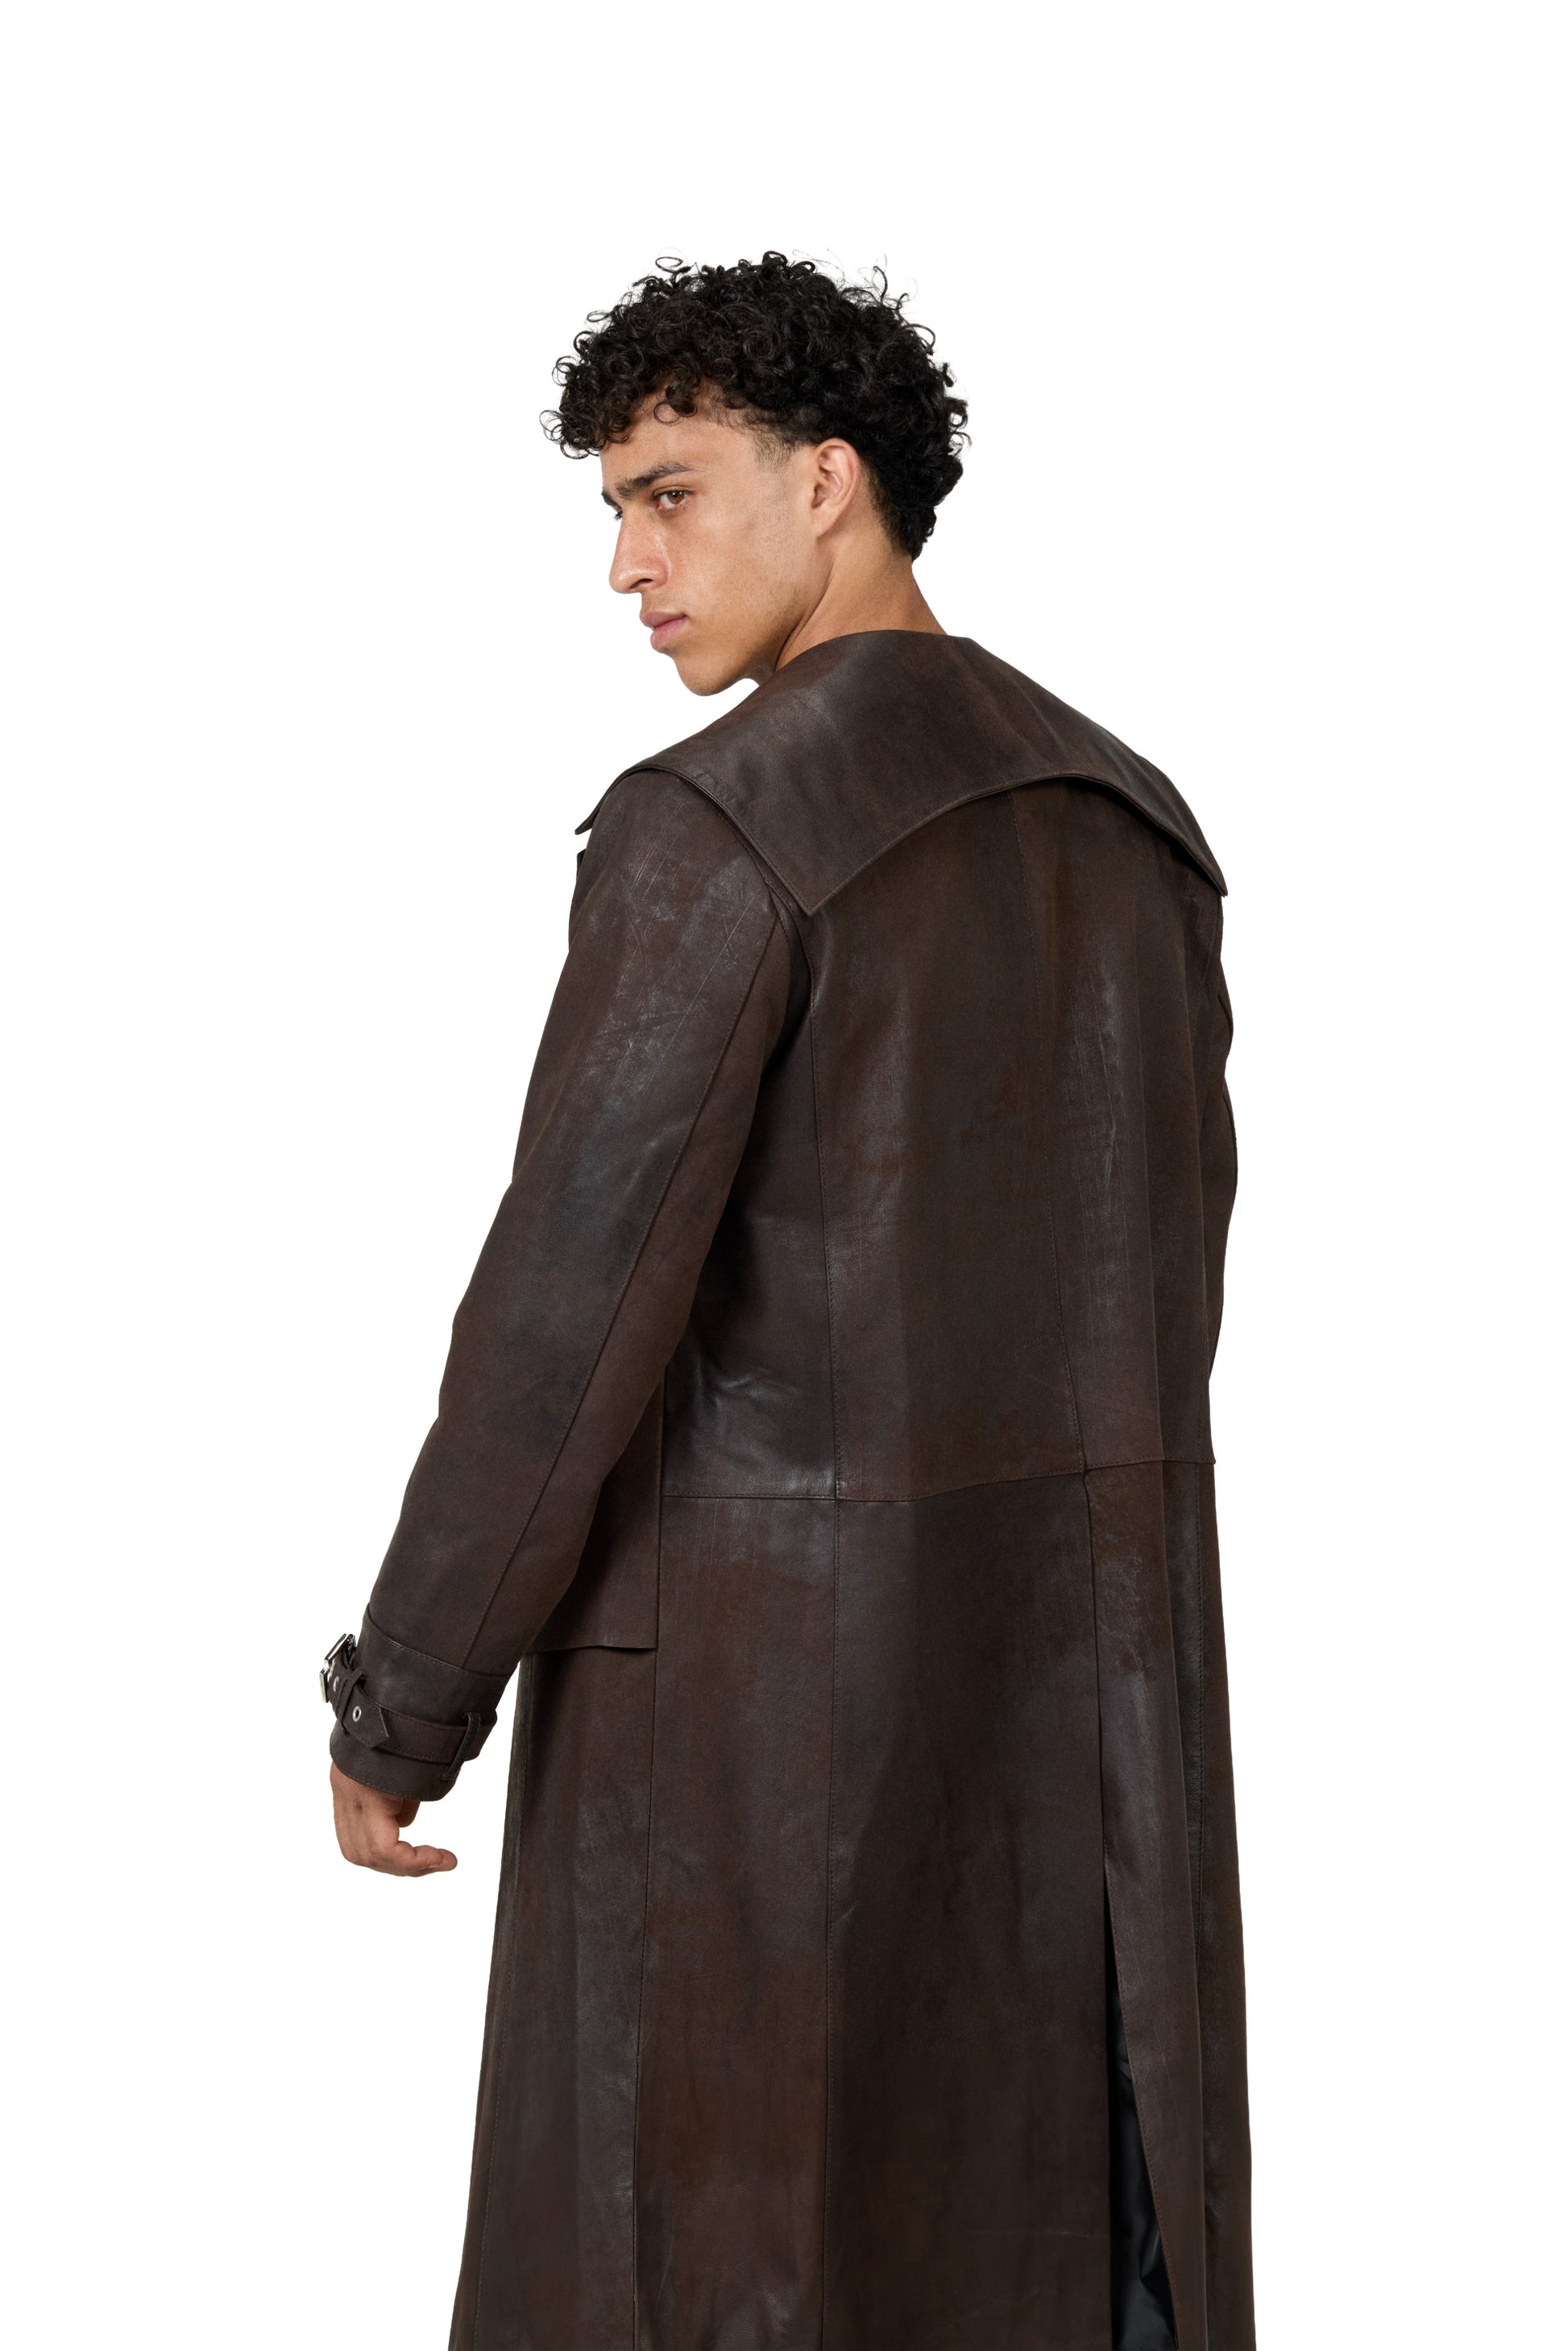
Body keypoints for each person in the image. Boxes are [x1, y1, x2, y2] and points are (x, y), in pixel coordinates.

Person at [325, 252, 1254, 2351]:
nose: (625, 565)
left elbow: (562, 1324)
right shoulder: (1129, 822)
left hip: (751, 1762)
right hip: (1085, 1756)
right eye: (611, 512)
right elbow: (1172, 1285)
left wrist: (406, 1702)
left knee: (706, 2276)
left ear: (827, 481)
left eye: (668, 496)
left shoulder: (723, 825)